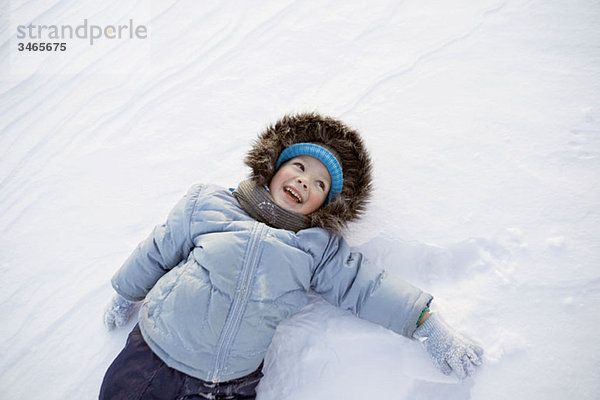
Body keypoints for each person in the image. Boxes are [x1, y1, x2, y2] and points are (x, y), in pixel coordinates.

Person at [100, 113, 483, 399]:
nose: (304, 181)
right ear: (273, 167)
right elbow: (157, 250)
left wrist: (424, 322)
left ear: (327, 205)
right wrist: (126, 291)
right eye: (299, 167)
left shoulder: (316, 250)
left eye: (319, 183)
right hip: (153, 353)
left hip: (227, 384)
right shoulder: (211, 205)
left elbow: (366, 288)